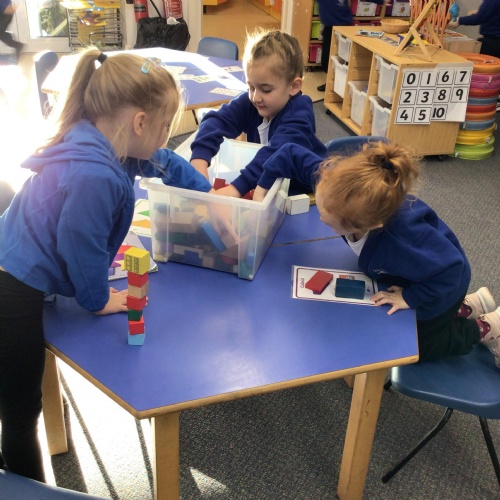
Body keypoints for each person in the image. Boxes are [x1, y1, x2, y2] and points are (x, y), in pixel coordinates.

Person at [0, 48, 211, 482]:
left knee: (15, 398)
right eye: (165, 127)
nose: (166, 137)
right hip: (11, 284)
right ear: (140, 122)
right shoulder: (95, 176)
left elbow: (161, 160)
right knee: (20, 410)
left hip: (17, 260)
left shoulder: (99, 135)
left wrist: (205, 192)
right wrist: (97, 300)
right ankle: (27, 489)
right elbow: (81, 246)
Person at [253, 141, 500, 365]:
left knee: (415, 347)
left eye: (330, 221)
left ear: (371, 226)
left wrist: (410, 297)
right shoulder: (339, 185)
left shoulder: (401, 239)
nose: (320, 217)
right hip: (423, 267)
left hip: (443, 282)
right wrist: (259, 195)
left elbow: (451, 270)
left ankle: (486, 327)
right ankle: (470, 306)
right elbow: (288, 153)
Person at [189, 29, 327, 198]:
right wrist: (199, 161)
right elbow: (215, 121)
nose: (255, 97)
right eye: (251, 87)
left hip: (301, 194)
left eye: (266, 90)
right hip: (265, 186)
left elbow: (276, 154)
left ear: (293, 86)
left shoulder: (298, 115)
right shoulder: (252, 103)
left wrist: (236, 188)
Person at [316, 0, 388, 91]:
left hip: (345, 27)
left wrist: (381, 1)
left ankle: (338, 84)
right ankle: (331, 82)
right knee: (327, 60)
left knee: (342, 58)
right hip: (329, 28)